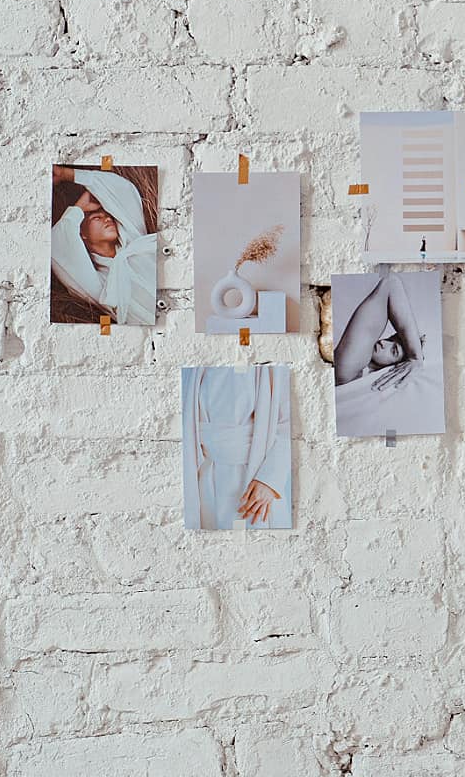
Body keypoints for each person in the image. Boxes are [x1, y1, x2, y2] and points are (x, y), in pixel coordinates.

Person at [182, 365, 291, 530]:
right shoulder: (196, 364)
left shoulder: (271, 360)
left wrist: (270, 479)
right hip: (206, 477)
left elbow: (289, 423)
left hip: (255, 477)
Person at [50, 166, 157, 326]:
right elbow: (58, 242)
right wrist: (79, 208)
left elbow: (124, 190)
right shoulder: (101, 286)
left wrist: (68, 174)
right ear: (82, 235)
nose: (107, 219)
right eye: (96, 218)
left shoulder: (135, 240)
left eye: (108, 216)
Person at [333, 269, 424, 386]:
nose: (383, 343)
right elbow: (390, 281)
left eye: (393, 351)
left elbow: (390, 283)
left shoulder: (346, 368)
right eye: (390, 339)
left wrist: (415, 357)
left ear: (397, 366)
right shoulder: (349, 366)